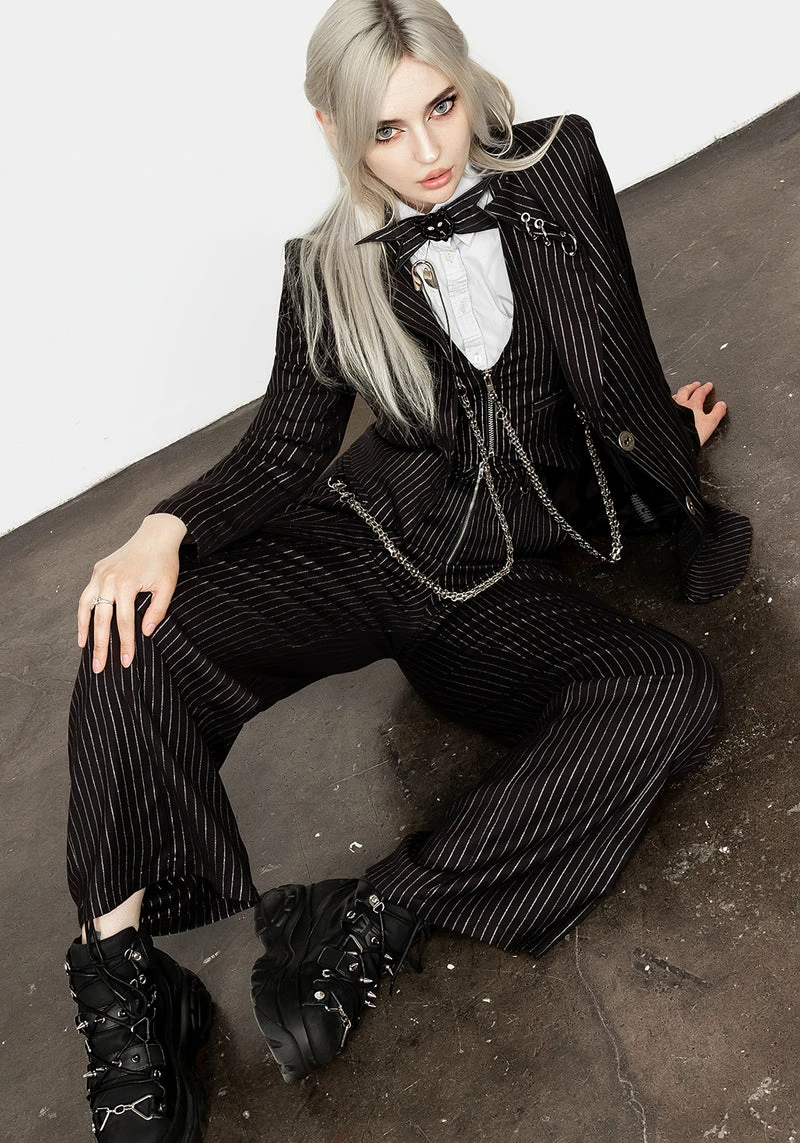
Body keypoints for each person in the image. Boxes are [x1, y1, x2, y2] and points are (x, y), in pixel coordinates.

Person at [64, 0, 752, 1139]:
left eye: (440, 106)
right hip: (362, 541)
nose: (429, 151)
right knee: (130, 623)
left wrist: (663, 440)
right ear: (334, 130)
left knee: (672, 692)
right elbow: (284, 447)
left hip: (490, 592)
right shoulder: (324, 269)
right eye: (388, 129)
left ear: (465, 83)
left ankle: (368, 914)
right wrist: (162, 526)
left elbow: (616, 345)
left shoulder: (559, 165)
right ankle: (129, 989)